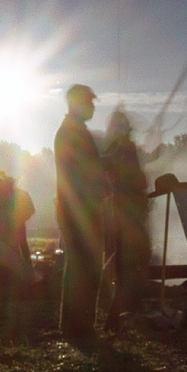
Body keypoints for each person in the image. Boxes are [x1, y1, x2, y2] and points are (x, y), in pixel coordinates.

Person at [55, 84, 106, 340]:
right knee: (85, 269)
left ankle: (76, 327)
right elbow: (83, 173)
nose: (93, 107)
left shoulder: (72, 131)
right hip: (80, 211)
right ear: (78, 104)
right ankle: (79, 328)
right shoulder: (72, 133)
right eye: (90, 102)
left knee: (81, 268)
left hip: (78, 209)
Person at [101, 108, 151, 331]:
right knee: (132, 259)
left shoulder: (117, 149)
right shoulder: (123, 149)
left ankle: (124, 310)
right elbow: (134, 179)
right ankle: (120, 312)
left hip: (125, 211)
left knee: (130, 259)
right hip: (127, 212)